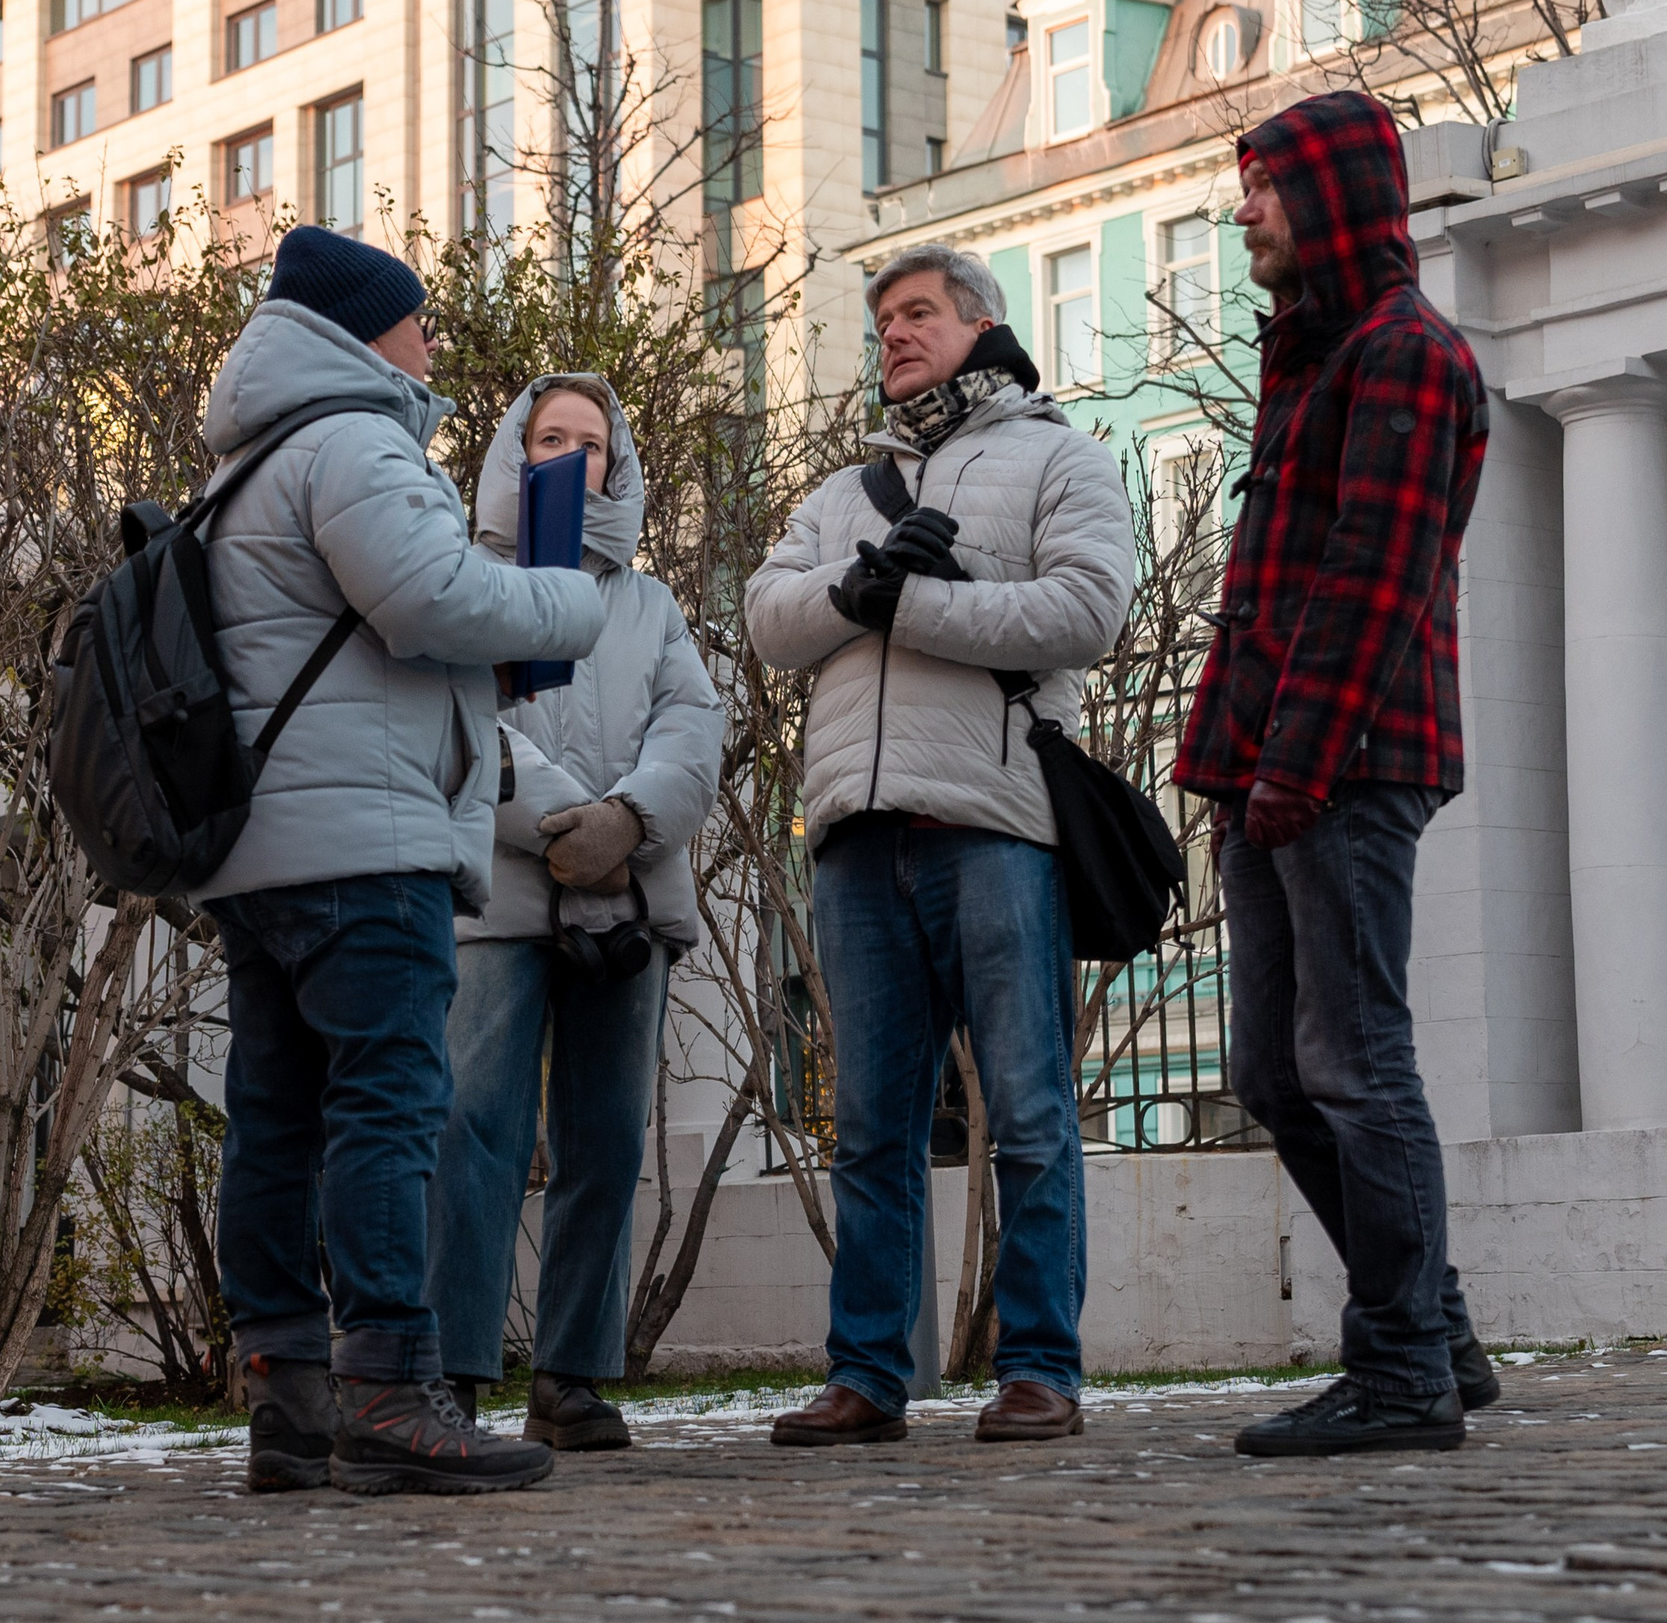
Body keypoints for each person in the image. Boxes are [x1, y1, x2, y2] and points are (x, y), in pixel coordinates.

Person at [193, 227, 607, 1496]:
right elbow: (431, 600)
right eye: (418, 320)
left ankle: (288, 1397)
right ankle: (388, 1389)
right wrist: (569, 600)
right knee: (386, 1104)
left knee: (276, 1118)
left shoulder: (247, 458)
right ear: (367, 328)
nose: (430, 343)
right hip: (360, 844)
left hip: (264, 846)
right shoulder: (353, 441)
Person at [745, 244, 1134, 1446]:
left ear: (980, 324)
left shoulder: (1060, 457)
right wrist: (855, 590)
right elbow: (767, 617)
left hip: (994, 825)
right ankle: (867, 1372)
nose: (896, 336)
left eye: (918, 313)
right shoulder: (838, 494)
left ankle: (1039, 1368)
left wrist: (912, 603)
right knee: (871, 1126)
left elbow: (1087, 610)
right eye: (883, 324)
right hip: (856, 839)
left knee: (1027, 1110)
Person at [1176, 93, 1497, 1459]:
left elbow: (1373, 582)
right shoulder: (1314, 356)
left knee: (1357, 1064)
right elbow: (1269, 589)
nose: (1243, 208)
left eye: (1264, 186)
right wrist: (1232, 763)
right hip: (1276, 768)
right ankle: (1442, 1332)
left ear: (1333, 198)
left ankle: (1404, 1369)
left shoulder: (1407, 354)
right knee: (1272, 1070)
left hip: (1346, 764)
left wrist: (1293, 769)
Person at [425, 374, 724, 1452]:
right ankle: (451, 1373)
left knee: (603, 1138)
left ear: (616, 465)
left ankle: (571, 1377)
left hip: (629, 898)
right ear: (516, 450)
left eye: (589, 442)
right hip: (500, 899)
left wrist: (627, 821)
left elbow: (692, 729)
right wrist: (569, 824)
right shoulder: (464, 579)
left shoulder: (650, 605)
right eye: (548, 436)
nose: (569, 456)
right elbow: (466, 723)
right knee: (475, 1131)